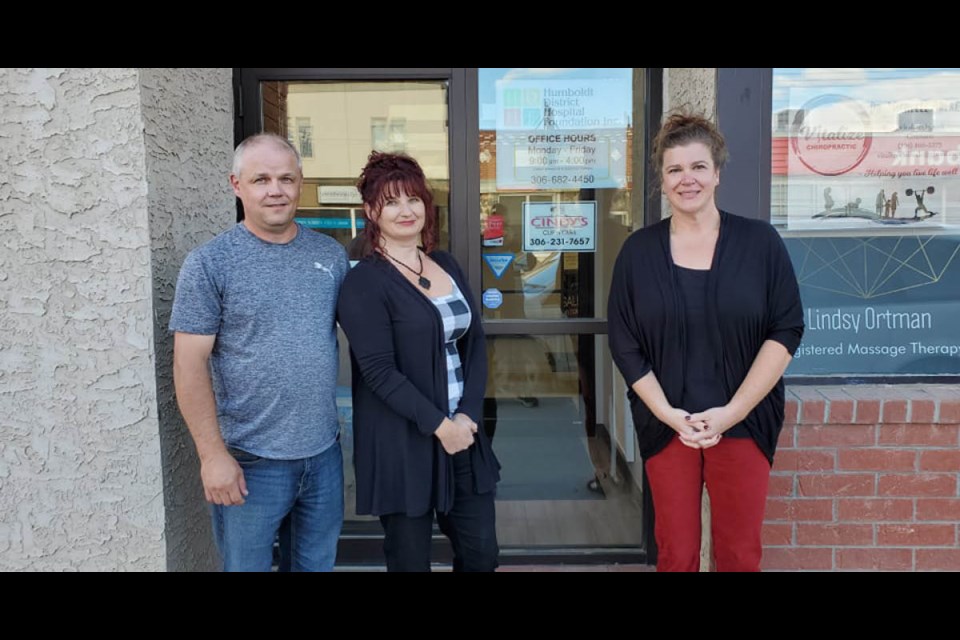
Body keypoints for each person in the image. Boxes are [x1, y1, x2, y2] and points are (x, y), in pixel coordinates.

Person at [607, 112, 804, 572]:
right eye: (675, 169)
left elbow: (786, 328)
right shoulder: (638, 252)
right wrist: (667, 414)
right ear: (661, 179)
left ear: (717, 173)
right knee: (676, 554)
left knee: (738, 554)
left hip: (743, 424)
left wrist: (731, 412)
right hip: (668, 424)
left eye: (698, 167)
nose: (687, 179)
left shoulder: (760, 244)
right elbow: (624, 339)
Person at [170, 133, 348, 572]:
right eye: (261, 179)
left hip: (323, 454)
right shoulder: (210, 263)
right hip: (249, 461)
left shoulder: (330, 255)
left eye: (286, 178)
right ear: (236, 185)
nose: (276, 190)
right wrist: (212, 457)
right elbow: (188, 363)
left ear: (300, 183)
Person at [337, 151, 500, 572]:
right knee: (410, 561)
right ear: (371, 211)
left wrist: (464, 416)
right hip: (402, 441)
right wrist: (440, 426)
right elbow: (378, 371)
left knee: (481, 555)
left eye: (413, 199)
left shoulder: (444, 263)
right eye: (391, 201)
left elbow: (475, 342)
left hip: (462, 435)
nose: (406, 211)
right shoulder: (363, 282)